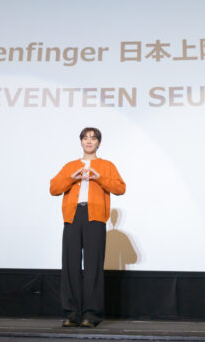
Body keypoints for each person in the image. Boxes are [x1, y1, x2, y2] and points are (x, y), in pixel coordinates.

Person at [50, 127, 126, 328]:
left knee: (93, 266)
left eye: (93, 138)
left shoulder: (106, 165)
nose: (89, 141)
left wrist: (99, 176)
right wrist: (72, 177)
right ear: (81, 142)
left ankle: (91, 315)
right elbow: (54, 189)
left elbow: (120, 188)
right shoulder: (70, 166)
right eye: (85, 138)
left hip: (95, 217)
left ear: (99, 143)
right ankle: (71, 313)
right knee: (70, 265)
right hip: (73, 216)